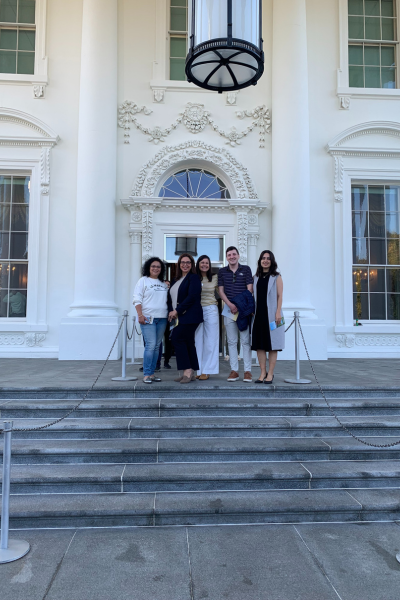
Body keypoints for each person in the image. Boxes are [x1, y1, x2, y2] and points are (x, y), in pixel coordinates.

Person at [218, 246, 253, 382]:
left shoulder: (246, 269)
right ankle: (234, 371)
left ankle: (247, 371)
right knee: (231, 341)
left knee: (245, 341)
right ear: (226, 257)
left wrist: (238, 305)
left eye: (234, 254)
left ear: (238, 256)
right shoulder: (222, 272)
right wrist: (230, 305)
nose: (231, 257)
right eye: (229, 255)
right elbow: (221, 291)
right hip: (229, 310)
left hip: (243, 310)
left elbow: (249, 289)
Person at [168, 253, 203, 384]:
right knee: (188, 342)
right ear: (179, 264)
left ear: (192, 265)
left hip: (190, 315)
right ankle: (190, 371)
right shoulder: (175, 280)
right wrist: (171, 311)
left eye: (188, 262)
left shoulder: (194, 278)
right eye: (183, 262)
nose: (185, 264)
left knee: (177, 338)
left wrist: (177, 310)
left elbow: (192, 297)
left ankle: (187, 370)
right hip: (179, 315)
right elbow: (170, 298)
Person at [133, 257, 169, 384]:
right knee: (151, 345)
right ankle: (147, 374)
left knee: (157, 346)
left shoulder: (164, 284)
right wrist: (140, 314)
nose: (155, 268)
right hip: (148, 318)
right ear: (148, 267)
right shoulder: (143, 281)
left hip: (162, 318)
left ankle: (152, 373)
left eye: (158, 266)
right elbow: (137, 299)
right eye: (153, 266)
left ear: (161, 269)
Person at [252, 250, 285, 384]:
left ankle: (270, 373)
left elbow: (280, 296)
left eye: (268, 258)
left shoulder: (276, 276)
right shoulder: (255, 277)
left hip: (272, 315)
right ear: (260, 261)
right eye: (263, 258)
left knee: (273, 346)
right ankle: (262, 372)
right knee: (259, 346)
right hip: (258, 315)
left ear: (272, 261)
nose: (265, 260)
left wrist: (278, 312)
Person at [195, 254, 219, 380]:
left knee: (211, 341)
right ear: (198, 264)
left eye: (207, 263)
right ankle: (198, 369)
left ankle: (208, 370)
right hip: (196, 310)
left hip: (211, 309)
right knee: (198, 340)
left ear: (209, 266)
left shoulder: (215, 277)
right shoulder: (193, 278)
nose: (204, 265)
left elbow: (222, 292)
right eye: (202, 262)